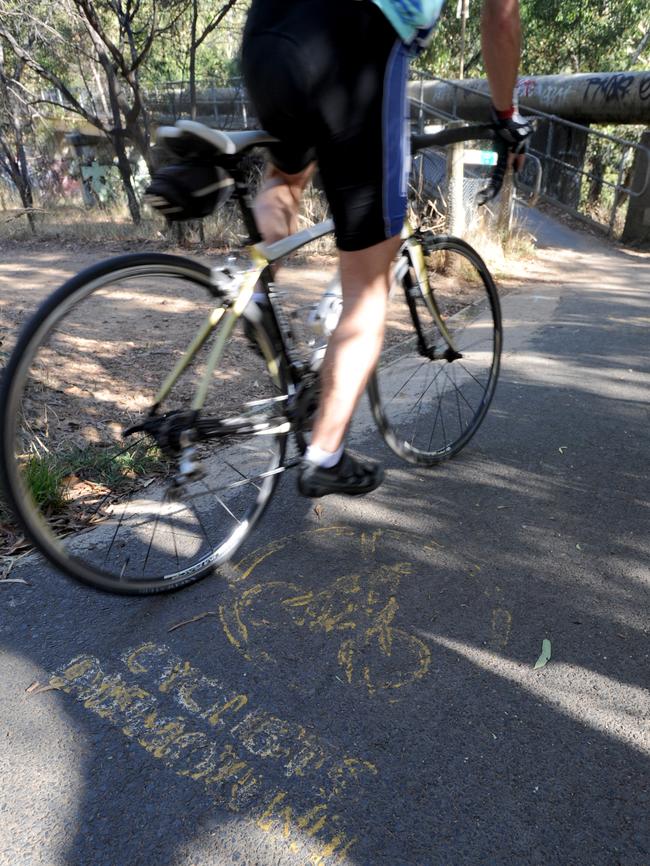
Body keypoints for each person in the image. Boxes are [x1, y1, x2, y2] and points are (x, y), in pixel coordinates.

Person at [241, 0, 531, 498]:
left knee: (286, 177)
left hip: (268, 31)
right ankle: (326, 455)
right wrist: (507, 115)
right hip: (354, 39)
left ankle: (252, 290)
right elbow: (501, 16)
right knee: (368, 287)